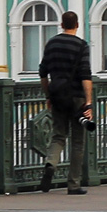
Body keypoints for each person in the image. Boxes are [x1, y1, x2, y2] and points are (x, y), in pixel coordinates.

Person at [38, 11, 93, 194]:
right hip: (77, 98)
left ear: (62, 24)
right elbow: (85, 75)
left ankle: (50, 164)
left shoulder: (51, 44)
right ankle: (74, 184)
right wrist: (89, 103)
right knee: (78, 141)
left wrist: (48, 95)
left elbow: (43, 73)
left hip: (57, 96)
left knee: (58, 136)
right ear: (77, 24)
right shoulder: (81, 46)